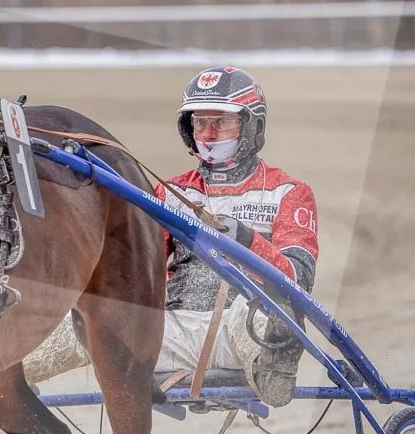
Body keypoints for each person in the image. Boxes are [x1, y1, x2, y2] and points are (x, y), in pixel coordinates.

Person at [23, 66, 318, 407]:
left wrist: (248, 242)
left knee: (267, 314)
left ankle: (273, 369)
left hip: (241, 330)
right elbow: (134, 267)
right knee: (89, 314)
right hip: (169, 333)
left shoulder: (288, 193)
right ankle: (4, 372)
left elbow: (298, 282)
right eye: (199, 123)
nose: (207, 134)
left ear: (253, 126)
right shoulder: (171, 192)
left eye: (220, 122)